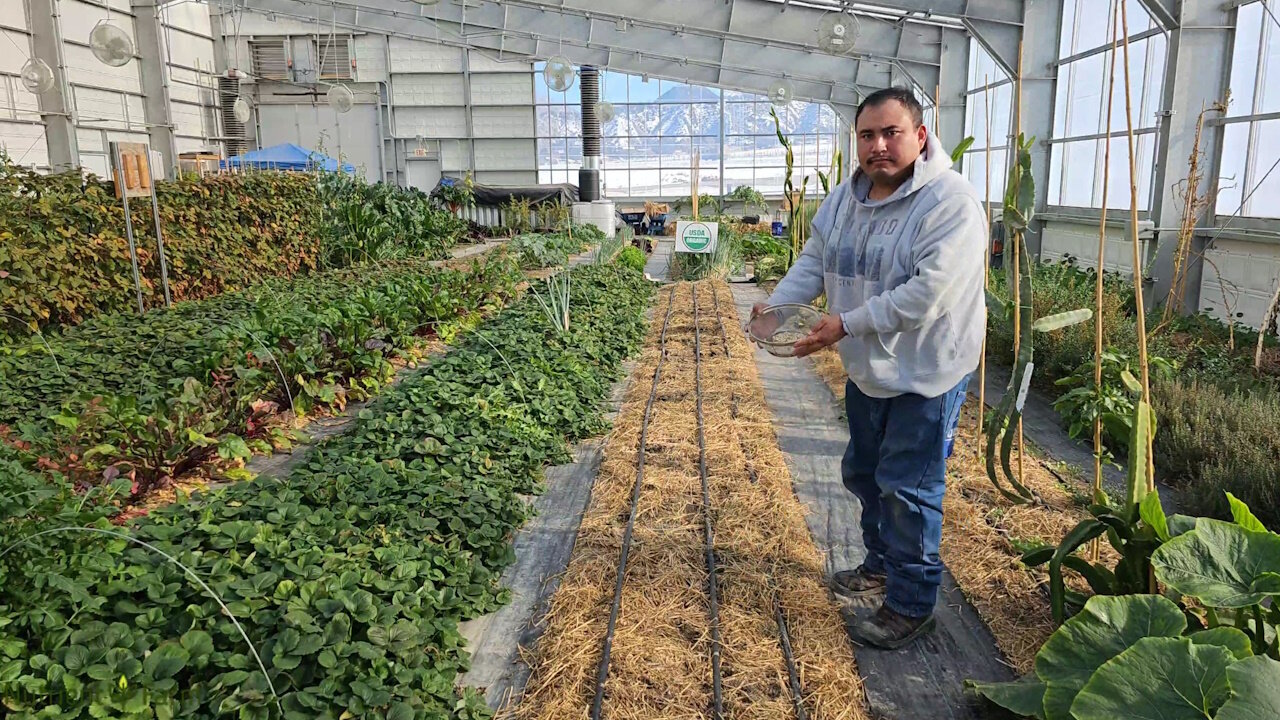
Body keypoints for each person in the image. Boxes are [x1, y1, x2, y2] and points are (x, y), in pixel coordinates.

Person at [752, 87, 986, 649]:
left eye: (891, 133)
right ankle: (880, 564)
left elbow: (926, 294)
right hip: (867, 369)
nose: (878, 146)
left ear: (920, 136)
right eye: (866, 135)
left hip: (927, 371)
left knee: (908, 488)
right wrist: (777, 309)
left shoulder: (949, 203)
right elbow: (816, 260)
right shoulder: (843, 200)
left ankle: (910, 603)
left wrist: (845, 324)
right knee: (863, 472)